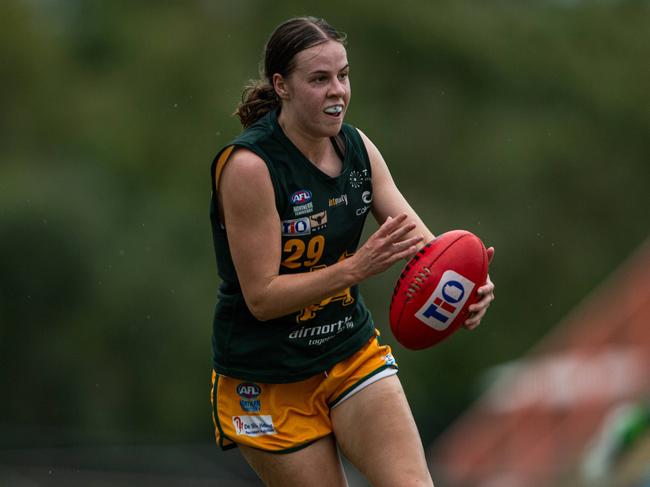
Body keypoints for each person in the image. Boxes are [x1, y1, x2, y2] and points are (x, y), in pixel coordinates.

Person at [209, 16, 495, 487]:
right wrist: (355, 268)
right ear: (281, 85)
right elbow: (261, 297)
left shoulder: (358, 148)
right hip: (265, 379)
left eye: (343, 75)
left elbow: (424, 248)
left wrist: (469, 283)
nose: (337, 90)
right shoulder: (250, 167)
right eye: (319, 79)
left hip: (348, 352)